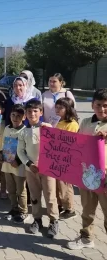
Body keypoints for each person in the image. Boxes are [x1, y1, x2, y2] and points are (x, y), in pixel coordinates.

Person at [67, 89, 107, 250]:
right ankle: (86, 237)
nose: (102, 109)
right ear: (92, 105)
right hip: (88, 175)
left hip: (105, 178)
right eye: (98, 105)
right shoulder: (85, 123)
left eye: (105, 106)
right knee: (87, 210)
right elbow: (77, 145)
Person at [17, 99, 59, 238]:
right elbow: (20, 152)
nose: (32, 114)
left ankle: (54, 221)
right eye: (29, 111)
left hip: (47, 170)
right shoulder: (24, 131)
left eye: (35, 111)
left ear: (41, 112)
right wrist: (29, 164)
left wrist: (51, 129)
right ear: (26, 114)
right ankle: (37, 219)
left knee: (50, 196)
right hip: (31, 170)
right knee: (34, 196)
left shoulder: (47, 128)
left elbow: (58, 144)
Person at [0, 104, 28, 223]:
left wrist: (19, 161)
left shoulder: (25, 131)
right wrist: (1, 154)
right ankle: (14, 208)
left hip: (19, 166)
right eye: (13, 115)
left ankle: (23, 211)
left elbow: (27, 150)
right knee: (10, 189)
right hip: (7, 165)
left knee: (20, 190)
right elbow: (4, 145)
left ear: (24, 117)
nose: (15, 118)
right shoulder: (7, 128)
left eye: (18, 116)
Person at [54, 97, 79, 219]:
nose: (57, 110)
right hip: (55, 158)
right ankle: (59, 205)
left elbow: (70, 141)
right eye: (56, 107)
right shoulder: (57, 121)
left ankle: (70, 209)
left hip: (66, 159)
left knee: (65, 184)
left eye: (61, 108)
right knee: (57, 184)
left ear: (68, 109)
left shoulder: (72, 124)